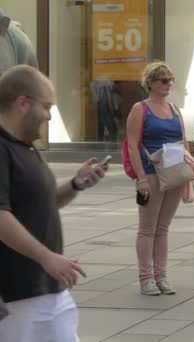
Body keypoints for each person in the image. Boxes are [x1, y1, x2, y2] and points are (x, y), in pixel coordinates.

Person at [0, 65, 107, 341]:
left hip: (48, 288)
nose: (48, 116)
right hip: (17, 295)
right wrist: (46, 257)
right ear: (22, 103)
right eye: (46, 106)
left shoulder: (24, 146)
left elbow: (41, 204)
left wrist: (75, 184)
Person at [126, 61, 186, 296]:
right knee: (147, 229)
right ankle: (146, 278)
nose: (168, 84)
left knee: (163, 228)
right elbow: (132, 145)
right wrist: (141, 178)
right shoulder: (140, 109)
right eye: (163, 80)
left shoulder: (175, 109)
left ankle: (161, 276)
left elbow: (183, 144)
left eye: (171, 80)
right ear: (150, 83)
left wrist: (187, 178)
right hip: (151, 173)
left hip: (173, 172)